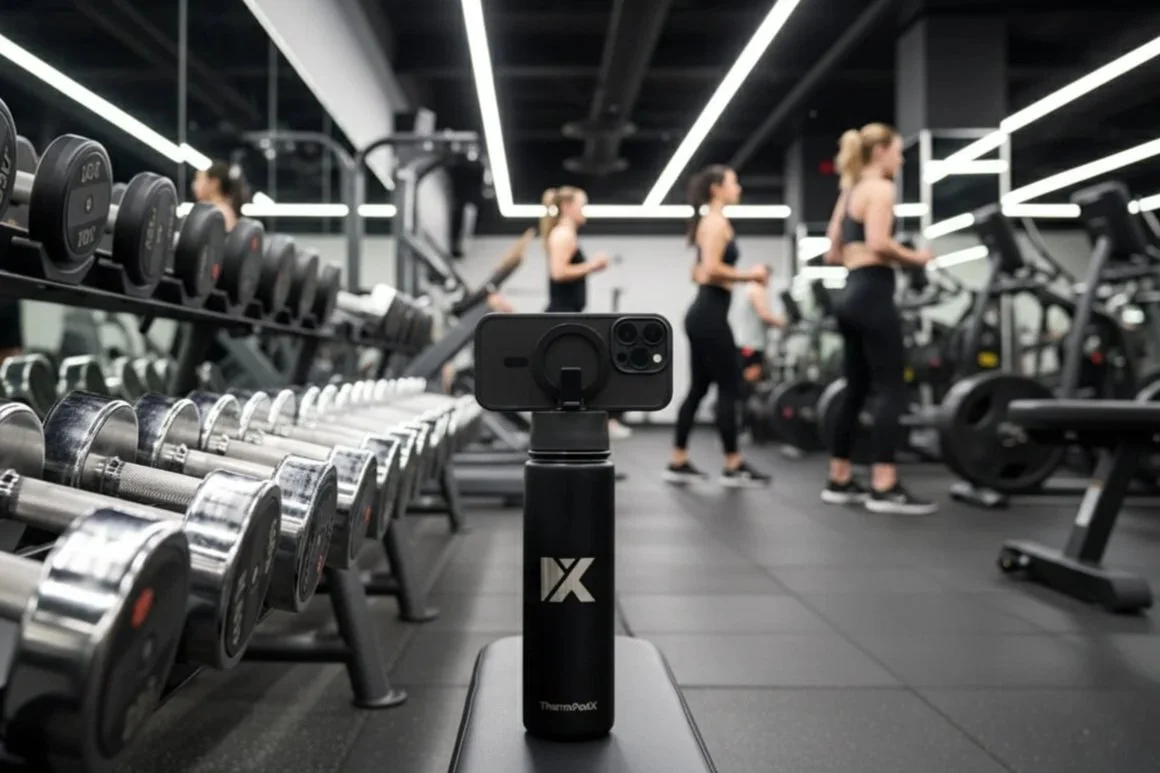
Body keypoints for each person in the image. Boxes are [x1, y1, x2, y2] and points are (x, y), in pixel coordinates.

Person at [820, 123, 937, 515]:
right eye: (898, 151)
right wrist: (916, 258)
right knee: (892, 389)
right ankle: (884, 485)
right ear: (880, 152)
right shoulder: (881, 190)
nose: (901, 159)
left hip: (849, 292)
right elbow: (878, 243)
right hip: (873, 292)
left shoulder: (849, 190)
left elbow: (832, 253)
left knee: (856, 390)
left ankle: (839, 478)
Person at [665, 165, 772, 487]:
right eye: (733, 183)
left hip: (705, 315)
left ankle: (678, 460)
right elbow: (710, 269)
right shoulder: (715, 223)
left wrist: (728, 275)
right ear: (716, 188)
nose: (738, 188)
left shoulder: (709, 223)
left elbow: (697, 272)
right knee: (730, 387)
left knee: (699, 389)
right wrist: (750, 276)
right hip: (708, 316)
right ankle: (733, 464)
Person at [540, 186, 633, 440]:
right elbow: (558, 272)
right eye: (582, 204)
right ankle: (603, 421)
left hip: (568, 313)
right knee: (597, 363)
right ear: (568, 206)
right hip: (561, 314)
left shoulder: (566, 233)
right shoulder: (563, 234)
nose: (585, 210)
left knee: (585, 370)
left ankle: (591, 426)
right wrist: (594, 265)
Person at [192, 161, 249, 230]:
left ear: (214, 184)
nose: (194, 185)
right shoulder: (217, 212)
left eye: (199, 180)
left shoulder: (219, 214)